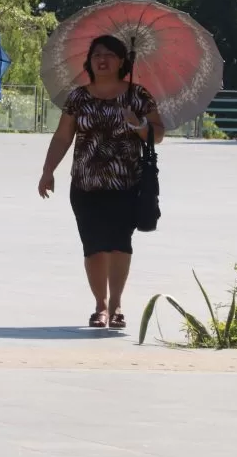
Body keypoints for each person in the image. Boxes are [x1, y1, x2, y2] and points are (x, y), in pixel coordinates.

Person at [38, 34, 164, 329]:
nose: (102, 60)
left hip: (126, 184)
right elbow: (63, 136)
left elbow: (157, 134)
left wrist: (140, 125)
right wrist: (48, 170)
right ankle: (100, 306)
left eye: (109, 55)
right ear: (89, 61)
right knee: (94, 246)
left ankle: (117, 303)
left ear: (122, 61)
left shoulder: (138, 95)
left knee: (120, 244)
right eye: (96, 55)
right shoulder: (78, 97)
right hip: (85, 184)